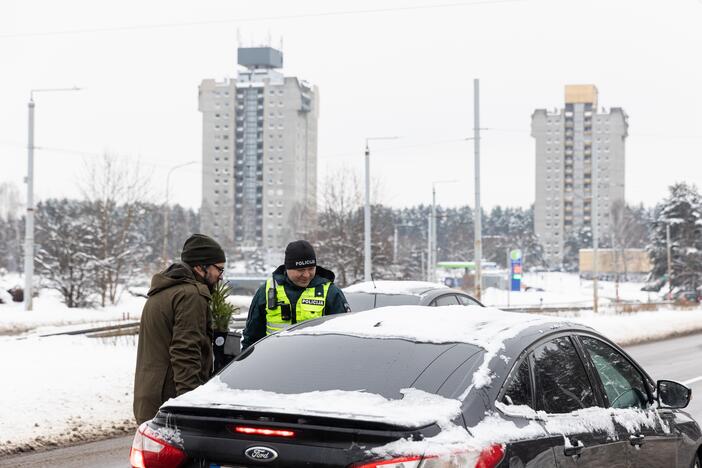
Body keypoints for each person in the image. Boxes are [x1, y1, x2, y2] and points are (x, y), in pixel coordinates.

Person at [133, 234, 226, 424]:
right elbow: (186, 352)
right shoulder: (191, 295)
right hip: (171, 402)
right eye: (219, 269)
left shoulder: (164, 291)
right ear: (200, 267)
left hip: (150, 398)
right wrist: (189, 406)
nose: (221, 276)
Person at [241, 240, 350, 351]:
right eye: (301, 270)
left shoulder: (330, 292)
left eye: (311, 269)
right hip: (275, 362)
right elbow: (251, 339)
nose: (307, 275)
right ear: (288, 268)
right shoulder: (267, 291)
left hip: (316, 363)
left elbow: (344, 338)